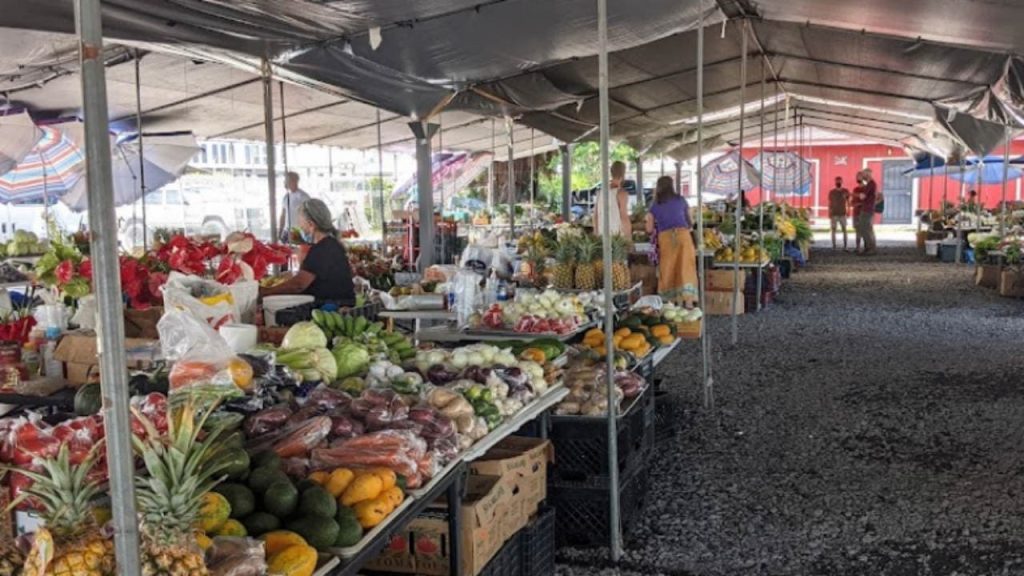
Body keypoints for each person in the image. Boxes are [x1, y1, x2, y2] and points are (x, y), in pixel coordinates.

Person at [260, 198, 356, 304]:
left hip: (332, 310)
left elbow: (298, 285)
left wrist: (266, 292)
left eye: (301, 223)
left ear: (311, 224)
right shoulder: (332, 244)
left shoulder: (322, 249)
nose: (300, 226)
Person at [645, 176, 698, 307]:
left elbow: (649, 228)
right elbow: (690, 222)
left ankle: (670, 303)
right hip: (683, 236)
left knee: (668, 268)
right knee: (686, 267)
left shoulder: (655, 205)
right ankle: (689, 302)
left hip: (666, 238)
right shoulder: (681, 200)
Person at [593, 160, 630, 236]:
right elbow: (624, 218)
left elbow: (595, 216)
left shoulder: (600, 192)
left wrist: (596, 233)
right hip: (617, 237)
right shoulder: (621, 193)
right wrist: (629, 237)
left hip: (602, 235)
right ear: (623, 174)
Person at [279, 171, 310, 243]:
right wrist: (280, 231)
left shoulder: (303, 196)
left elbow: (309, 215)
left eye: (286, 180)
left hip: (298, 232)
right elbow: (283, 215)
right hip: (286, 231)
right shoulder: (286, 197)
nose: (284, 182)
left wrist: (306, 232)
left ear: (294, 181)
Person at [853, 169, 877, 255]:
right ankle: (869, 248)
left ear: (868, 174)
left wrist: (854, 195)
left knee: (864, 228)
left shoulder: (871, 184)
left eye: (864, 174)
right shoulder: (870, 184)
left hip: (867, 209)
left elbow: (863, 196)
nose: (863, 176)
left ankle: (870, 248)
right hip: (867, 209)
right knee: (866, 228)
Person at [828, 176, 851, 251]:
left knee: (844, 230)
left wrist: (848, 210)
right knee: (833, 230)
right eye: (837, 181)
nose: (838, 182)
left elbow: (848, 202)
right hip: (834, 214)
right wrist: (829, 212)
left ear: (842, 182)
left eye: (839, 181)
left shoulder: (845, 191)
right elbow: (830, 203)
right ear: (835, 182)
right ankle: (834, 246)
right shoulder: (831, 192)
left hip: (842, 213)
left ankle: (845, 246)